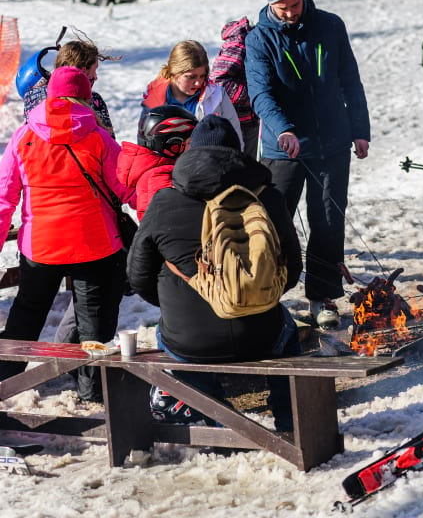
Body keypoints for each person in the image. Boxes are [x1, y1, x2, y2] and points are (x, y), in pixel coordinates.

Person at [126, 114, 303, 429]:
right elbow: (291, 269)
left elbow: (138, 275)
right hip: (260, 335)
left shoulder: (164, 201)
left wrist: (180, 298)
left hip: (189, 338)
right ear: (239, 154)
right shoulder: (269, 198)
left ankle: (209, 410)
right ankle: (292, 420)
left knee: (169, 333)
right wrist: (253, 293)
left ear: (190, 154)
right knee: (287, 328)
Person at [245, 0, 370, 329]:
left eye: (295, 4)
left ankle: (323, 296)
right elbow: (261, 93)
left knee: (328, 219)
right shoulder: (259, 38)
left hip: (332, 140)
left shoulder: (330, 26)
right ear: (270, 3)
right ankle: (267, 298)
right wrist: (283, 129)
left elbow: (351, 81)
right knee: (273, 221)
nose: (289, 12)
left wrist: (360, 129)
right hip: (283, 147)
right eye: (282, 6)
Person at [0, 67, 135, 401]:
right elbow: (124, 188)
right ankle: (92, 393)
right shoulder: (98, 136)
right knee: (93, 325)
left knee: (26, 316)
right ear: (87, 97)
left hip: (40, 246)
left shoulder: (24, 135)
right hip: (95, 245)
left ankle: (5, 381)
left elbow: (4, 196)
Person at [140, 40, 243, 150]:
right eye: (191, 77)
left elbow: (235, 138)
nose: (198, 83)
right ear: (174, 73)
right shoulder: (154, 98)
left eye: (202, 76)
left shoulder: (217, 95)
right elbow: (144, 144)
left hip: (207, 163)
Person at [117, 105, 197, 220]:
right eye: (189, 142)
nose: (194, 147)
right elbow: (177, 219)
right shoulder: (160, 178)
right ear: (173, 146)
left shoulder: (159, 172)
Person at [23, 38, 116, 135]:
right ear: (83, 71)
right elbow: (110, 141)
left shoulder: (31, 96)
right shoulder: (94, 101)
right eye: (94, 69)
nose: (96, 77)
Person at [211, 17, 260, 159]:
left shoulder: (246, 40)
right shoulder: (239, 43)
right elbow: (220, 81)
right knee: (242, 165)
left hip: (249, 118)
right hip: (239, 120)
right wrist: (255, 92)